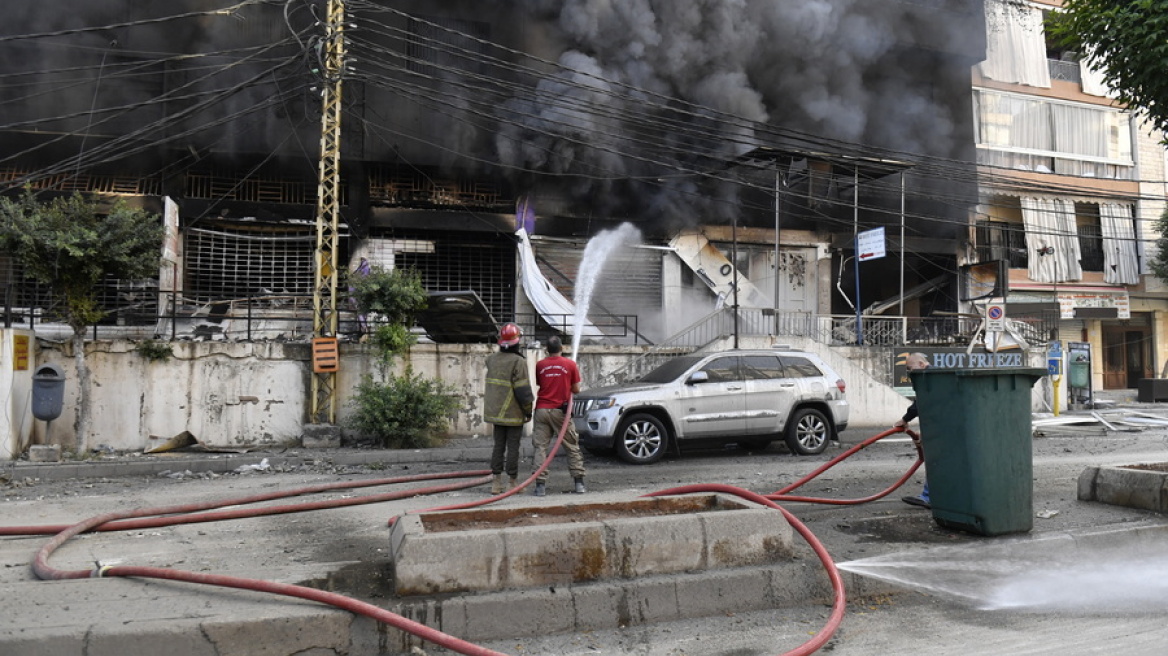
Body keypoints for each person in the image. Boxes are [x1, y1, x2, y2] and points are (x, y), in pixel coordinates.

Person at [530, 335, 586, 496]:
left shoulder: (540, 365)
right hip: (560, 411)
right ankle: (579, 483)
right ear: (561, 348)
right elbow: (576, 390)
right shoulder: (570, 364)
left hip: (541, 410)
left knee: (540, 447)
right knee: (571, 446)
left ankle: (540, 486)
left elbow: (542, 384)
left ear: (547, 350)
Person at [484, 322, 534, 494]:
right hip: (513, 413)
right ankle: (512, 483)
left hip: (495, 413)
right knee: (513, 447)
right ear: (517, 342)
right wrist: (528, 410)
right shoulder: (518, 362)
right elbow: (523, 390)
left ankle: (496, 484)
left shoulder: (490, 360)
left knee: (498, 446)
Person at [895, 352, 931, 509]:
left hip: (943, 430)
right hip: (943, 428)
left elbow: (920, 403)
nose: (909, 373)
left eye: (910, 368)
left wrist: (904, 420)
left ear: (922, 365)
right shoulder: (935, 377)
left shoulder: (929, 378)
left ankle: (928, 497)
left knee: (936, 462)